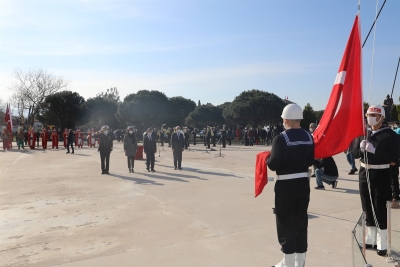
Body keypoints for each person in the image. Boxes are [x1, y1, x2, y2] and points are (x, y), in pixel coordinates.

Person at [267, 103, 314, 267]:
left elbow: (273, 164)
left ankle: (288, 262)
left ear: (286, 119)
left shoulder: (280, 138)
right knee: (301, 222)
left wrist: (266, 159)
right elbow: (310, 161)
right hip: (303, 184)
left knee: (285, 223)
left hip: (285, 186)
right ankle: (300, 262)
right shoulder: (309, 137)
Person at [353, 105, 399, 256]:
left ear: (382, 118)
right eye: (369, 114)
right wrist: (360, 149)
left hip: (381, 174)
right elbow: (354, 154)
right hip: (364, 172)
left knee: (380, 206)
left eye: (374, 114)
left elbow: (395, 158)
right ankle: (371, 237)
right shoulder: (362, 133)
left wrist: (375, 150)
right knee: (366, 204)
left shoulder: (391, 135)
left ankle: (382, 241)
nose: (370, 117)